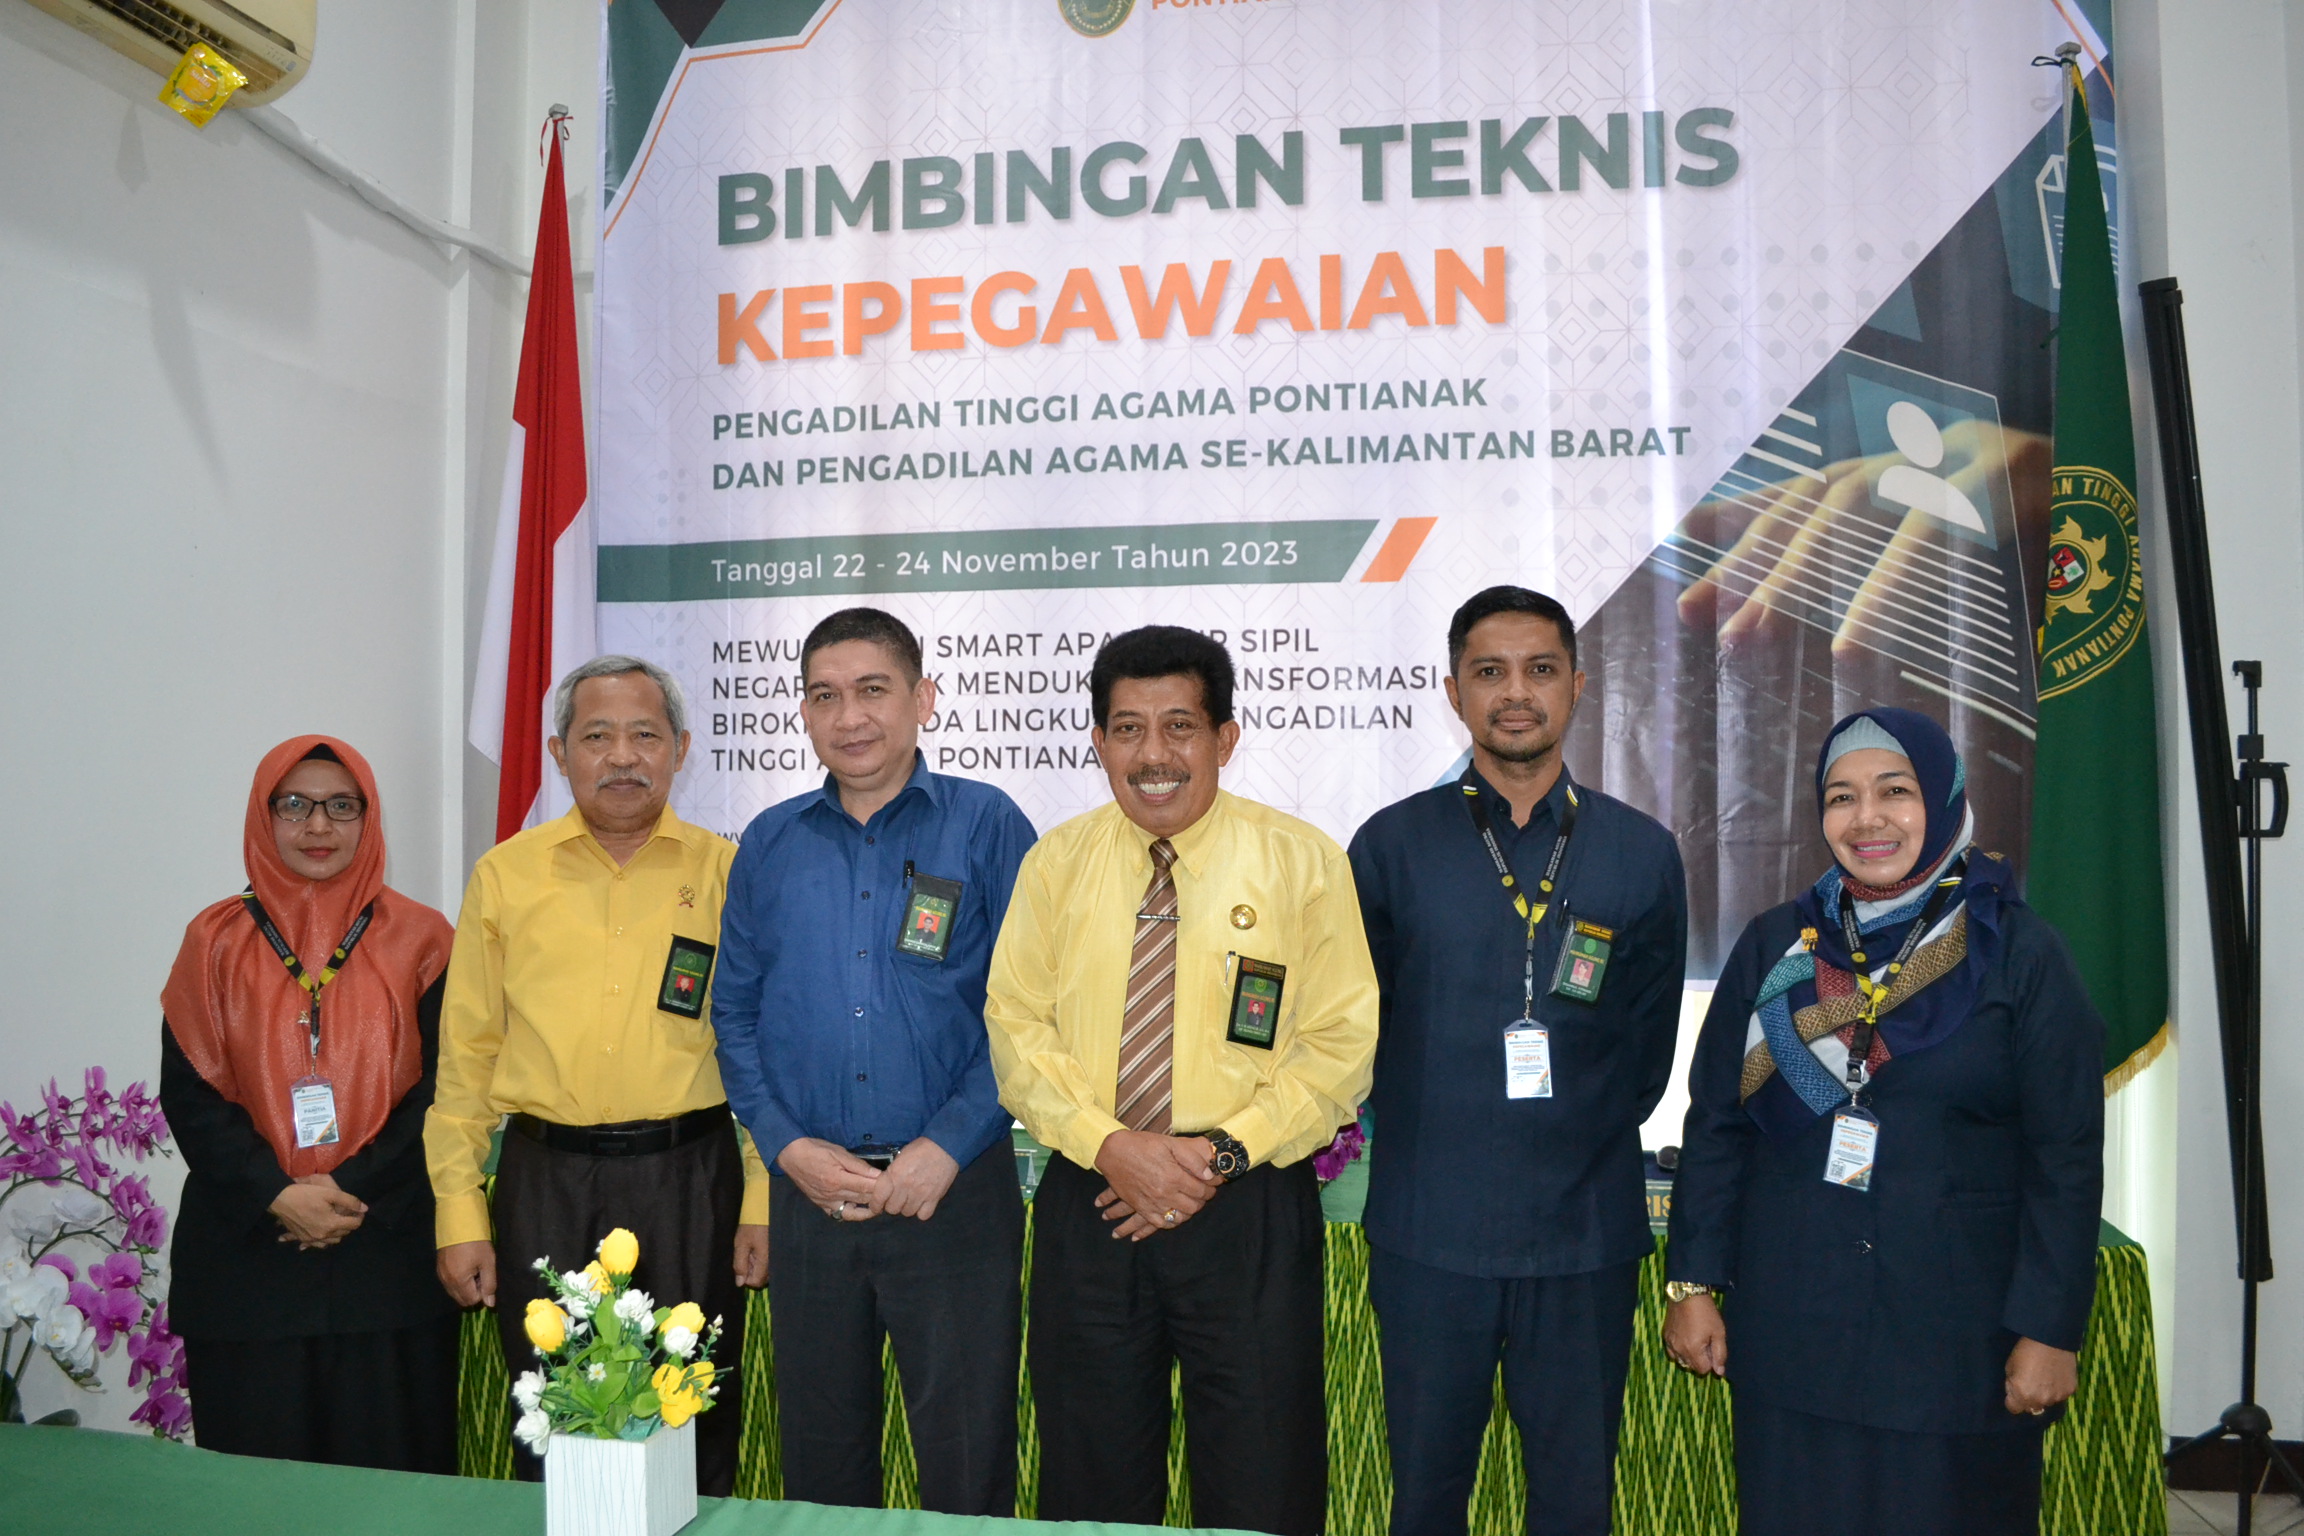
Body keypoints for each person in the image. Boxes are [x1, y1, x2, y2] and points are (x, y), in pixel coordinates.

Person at [1662, 707, 2104, 1536]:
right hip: (1793, 1335)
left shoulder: (2018, 953)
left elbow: (2066, 1156)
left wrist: (2049, 1330)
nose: (1867, 818)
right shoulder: (1776, 946)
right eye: (1842, 796)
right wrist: (1692, 1283)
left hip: (1956, 1347)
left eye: (1895, 791)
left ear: (1942, 795)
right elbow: (1718, 1123)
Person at [984, 625, 1380, 1536]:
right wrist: (1112, 1147)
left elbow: (1338, 1045)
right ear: (1098, 742)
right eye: (1127, 729)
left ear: (1225, 738)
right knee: (1092, 1483)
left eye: (1179, 727)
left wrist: (1216, 1157)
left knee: (1262, 1477)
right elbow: (1015, 1026)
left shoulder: (1302, 861)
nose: (1153, 755)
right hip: (1095, 1197)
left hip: (1247, 1203)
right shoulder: (1056, 864)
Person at [1347, 587, 1689, 1536]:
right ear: (1452, 690)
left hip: (1584, 1239)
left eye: (1540, 670)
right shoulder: (1390, 846)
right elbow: (1359, 1030)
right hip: (1430, 1237)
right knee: (1425, 1499)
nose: (1515, 693)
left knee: (1576, 1503)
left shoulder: (1641, 852)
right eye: (1489, 672)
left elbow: (1648, 1051)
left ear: (1577, 686)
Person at [711, 608, 1038, 1514]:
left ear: (923, 698)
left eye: (872, 690)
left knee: (967, 1460)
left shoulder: (986, 824)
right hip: (812, 1198)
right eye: (825, 696)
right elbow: (733, 1014)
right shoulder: (768, 842)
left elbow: (1029, 1014)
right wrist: (787, 1148)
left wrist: (948, 1144)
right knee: (821, 1461)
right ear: (803, 714)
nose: (849, 716)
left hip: (954, 1194)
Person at [425, 656, 771, 1495]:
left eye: (644, 735)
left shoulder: (729, 875)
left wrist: (760, 1197)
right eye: (597, 736)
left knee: (693, 1420)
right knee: (553, 1420)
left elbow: (765, 1050)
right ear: (559, 752)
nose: (622, 756)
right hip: (546, 1184)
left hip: (690, 1183)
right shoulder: (505, 876)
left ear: (680, 748)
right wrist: (460, 1211)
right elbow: (466, 1058)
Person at [160, 736, 459, 1470]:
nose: (318, 825)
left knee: (391, 1499)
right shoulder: (213, 940)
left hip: (386, 1265)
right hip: (248, 1269)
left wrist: (347, 1186)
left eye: (341, 806)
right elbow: (191, 1096)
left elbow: (448, 1092)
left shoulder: (424, 939)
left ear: (368, 817)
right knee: (258, 1501)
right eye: (294, 805)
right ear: (264, 817)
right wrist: (276, 1192)